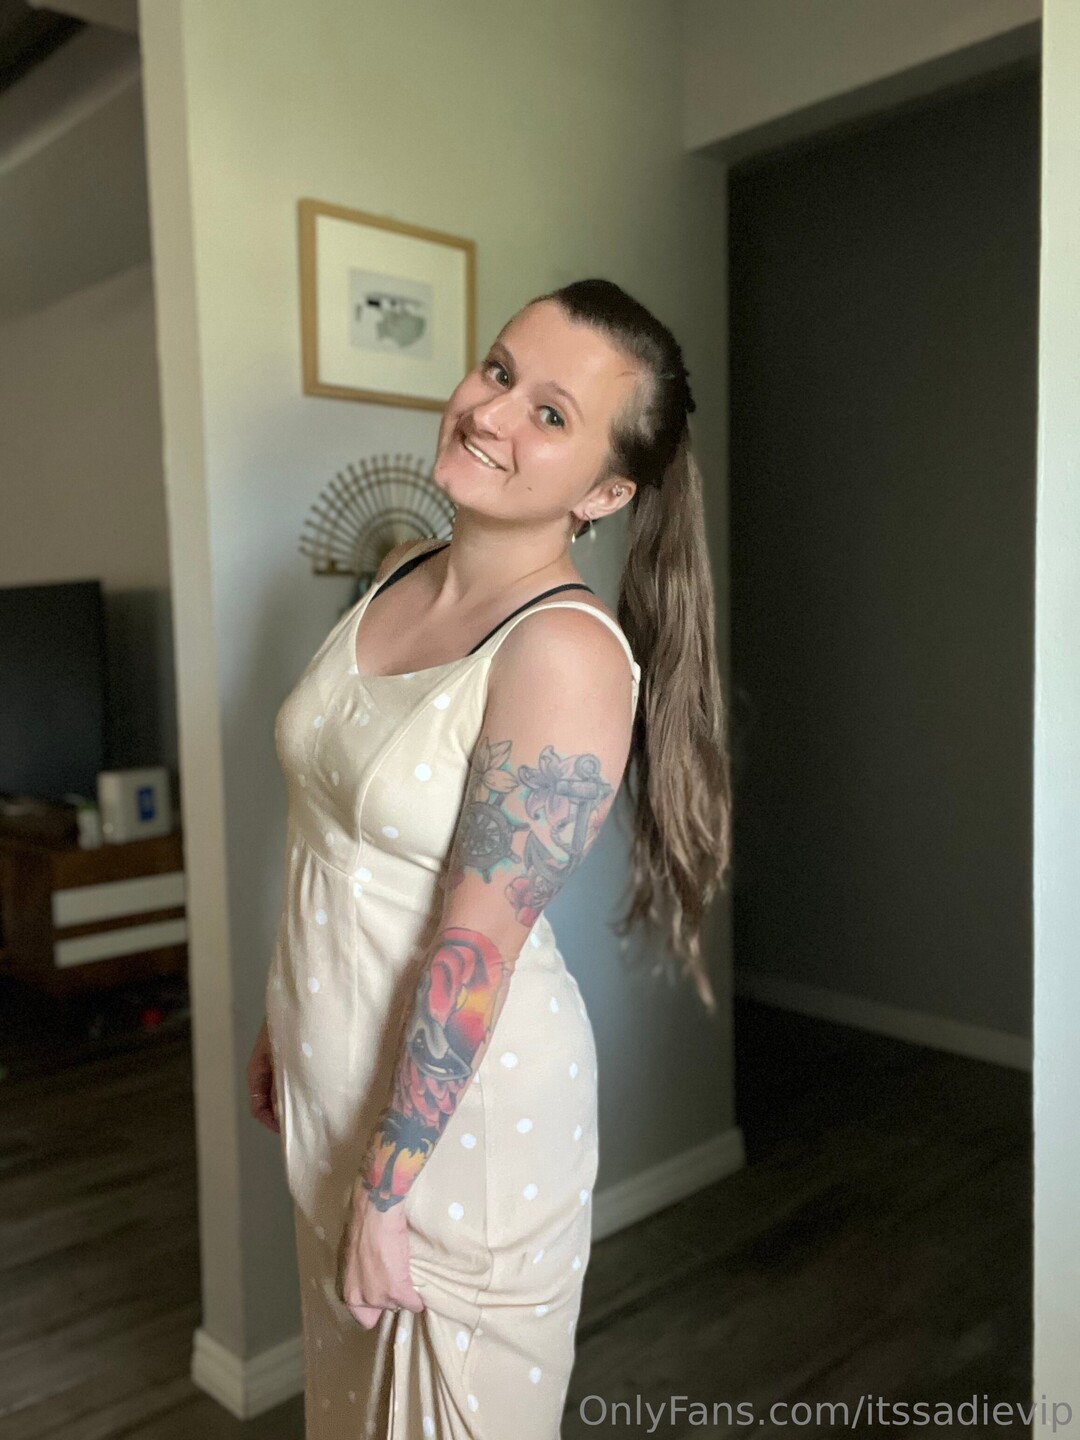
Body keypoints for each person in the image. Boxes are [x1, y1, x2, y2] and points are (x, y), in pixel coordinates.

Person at [246, 278, 731, 1438]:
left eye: (551, 414)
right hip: (339, 1094)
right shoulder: (401, 570)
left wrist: (388, 1187)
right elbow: (338, 845)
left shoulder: (563, 653)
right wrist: (285, 1018)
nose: (491, 412)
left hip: (459, 1146)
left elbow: (476, 949)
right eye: (499, 370)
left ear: (606, 493)